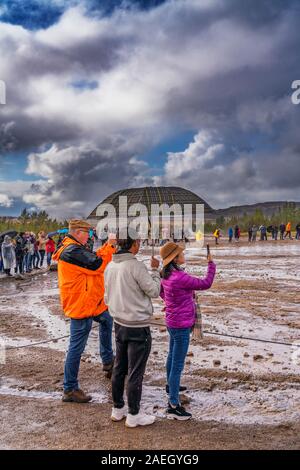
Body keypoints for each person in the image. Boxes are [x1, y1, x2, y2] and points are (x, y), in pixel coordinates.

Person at [52, 219, 116, 403]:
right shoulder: (73, 251)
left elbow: (94, 259)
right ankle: (70, 388)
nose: (89, 235)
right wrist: (110, 246)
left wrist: (106, 246)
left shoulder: (74, 248)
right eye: (87, 232)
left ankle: (108, 361)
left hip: (90, 302)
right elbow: (97, 265)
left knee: (106, 319)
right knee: (76, 347)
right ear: (78, 232)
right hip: (82, 304)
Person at [104, 230, 161, 428]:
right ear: (134, 243)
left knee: (120, 368)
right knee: (136, 371)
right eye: (138, 241)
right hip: (137, 326)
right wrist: (155, 271)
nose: (140, 244)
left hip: (119, 324)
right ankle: (134, 415)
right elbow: (154, 291)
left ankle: (118, 409)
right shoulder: (136, 266)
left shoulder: (110, 266)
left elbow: (106, 297)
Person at [159, 241, 216, 420]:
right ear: (175, 258)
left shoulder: (166, 274)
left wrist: (173, 303)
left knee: (171, 356)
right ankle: (173, 405)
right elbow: (206, 283)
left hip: (171, 322)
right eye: (181, 253)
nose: (184, 255)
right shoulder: (179, 277)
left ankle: (171, 387)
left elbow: (162, 293)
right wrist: (211, 264)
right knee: (177, 365)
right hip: (181, 325)